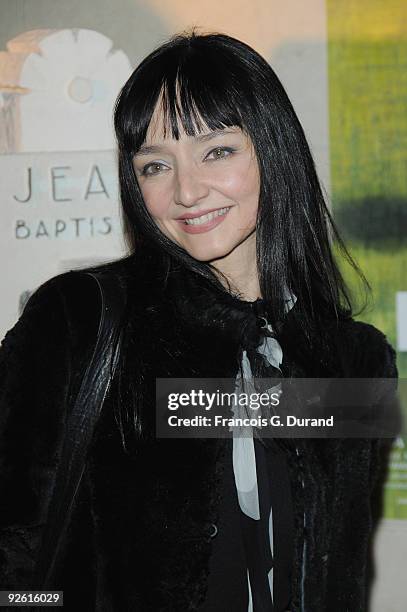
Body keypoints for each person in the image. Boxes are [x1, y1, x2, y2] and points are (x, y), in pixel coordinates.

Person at [0, 30, 398, 611]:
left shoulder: (356, 360)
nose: (186, 190)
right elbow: (12, 542)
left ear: (273, 148)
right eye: (155, 165)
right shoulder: (81, 317)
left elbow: (341, 570)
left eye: (217, 151)